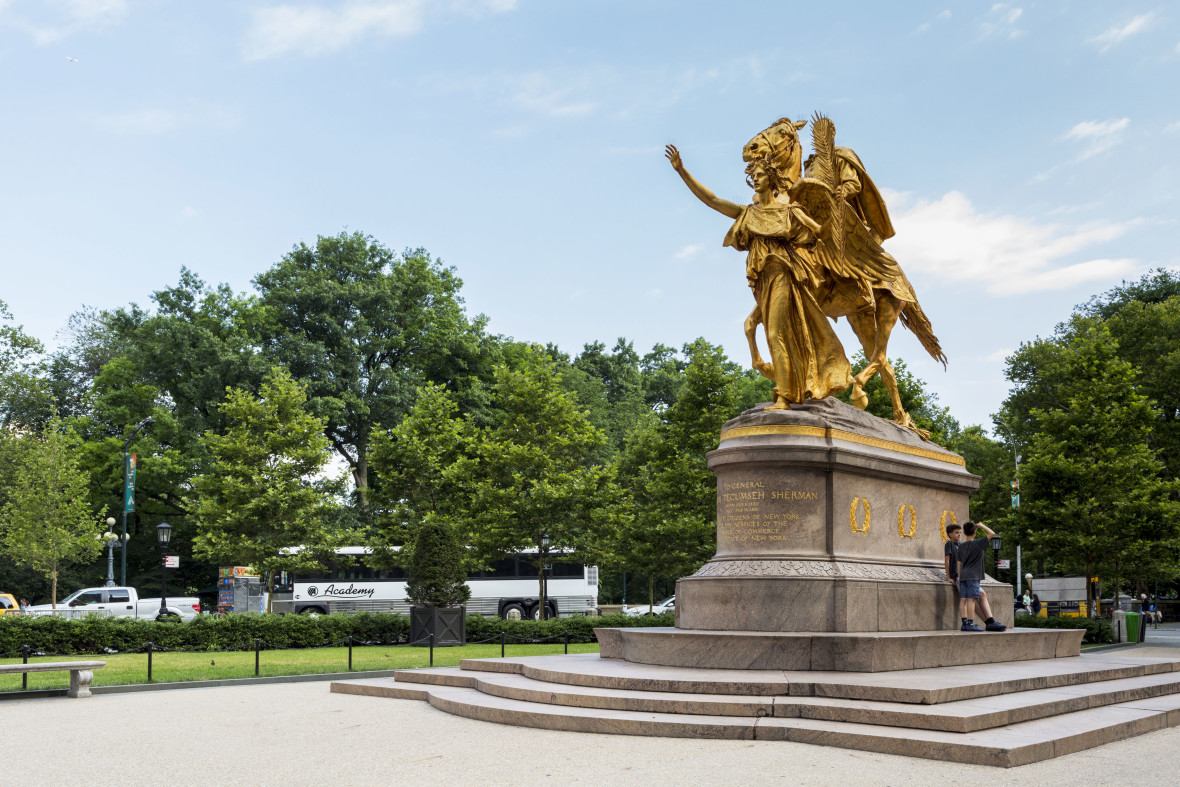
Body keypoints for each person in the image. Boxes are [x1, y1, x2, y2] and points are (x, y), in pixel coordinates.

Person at [666, 139, 852, 409]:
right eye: (753, 176)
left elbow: (821, 233)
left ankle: (786, 396)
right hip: (762, 281)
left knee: (775, 332)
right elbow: (713, 200)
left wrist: (836, 203)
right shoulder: (748, 213)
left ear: (773, 179)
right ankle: (793, 388)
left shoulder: (790, 211)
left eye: (761, 175)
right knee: (775, 334)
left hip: (783, 274)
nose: (755, 179)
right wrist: (682, 171)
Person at [957, 521, 1006, 632]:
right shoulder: (978, 543)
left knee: (963, 599)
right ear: (975, 532)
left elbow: (958, 563)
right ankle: (970, 623)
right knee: (971, 600)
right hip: (973, 576)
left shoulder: (961, 546)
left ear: (964, 532)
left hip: (963, 575)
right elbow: (992, 533)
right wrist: (981, 525)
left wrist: (960, 576)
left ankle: (964, 624)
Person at [943, 522, 965, 628]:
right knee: (964, 598)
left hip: (964, 575)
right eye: (956, 533)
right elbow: (947, 560)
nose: (959, 534)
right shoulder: (949, 544)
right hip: (956, 575)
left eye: (960, 532)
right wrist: (948, 577)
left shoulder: (961, 545)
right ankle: (965, 622)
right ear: (950, 534)